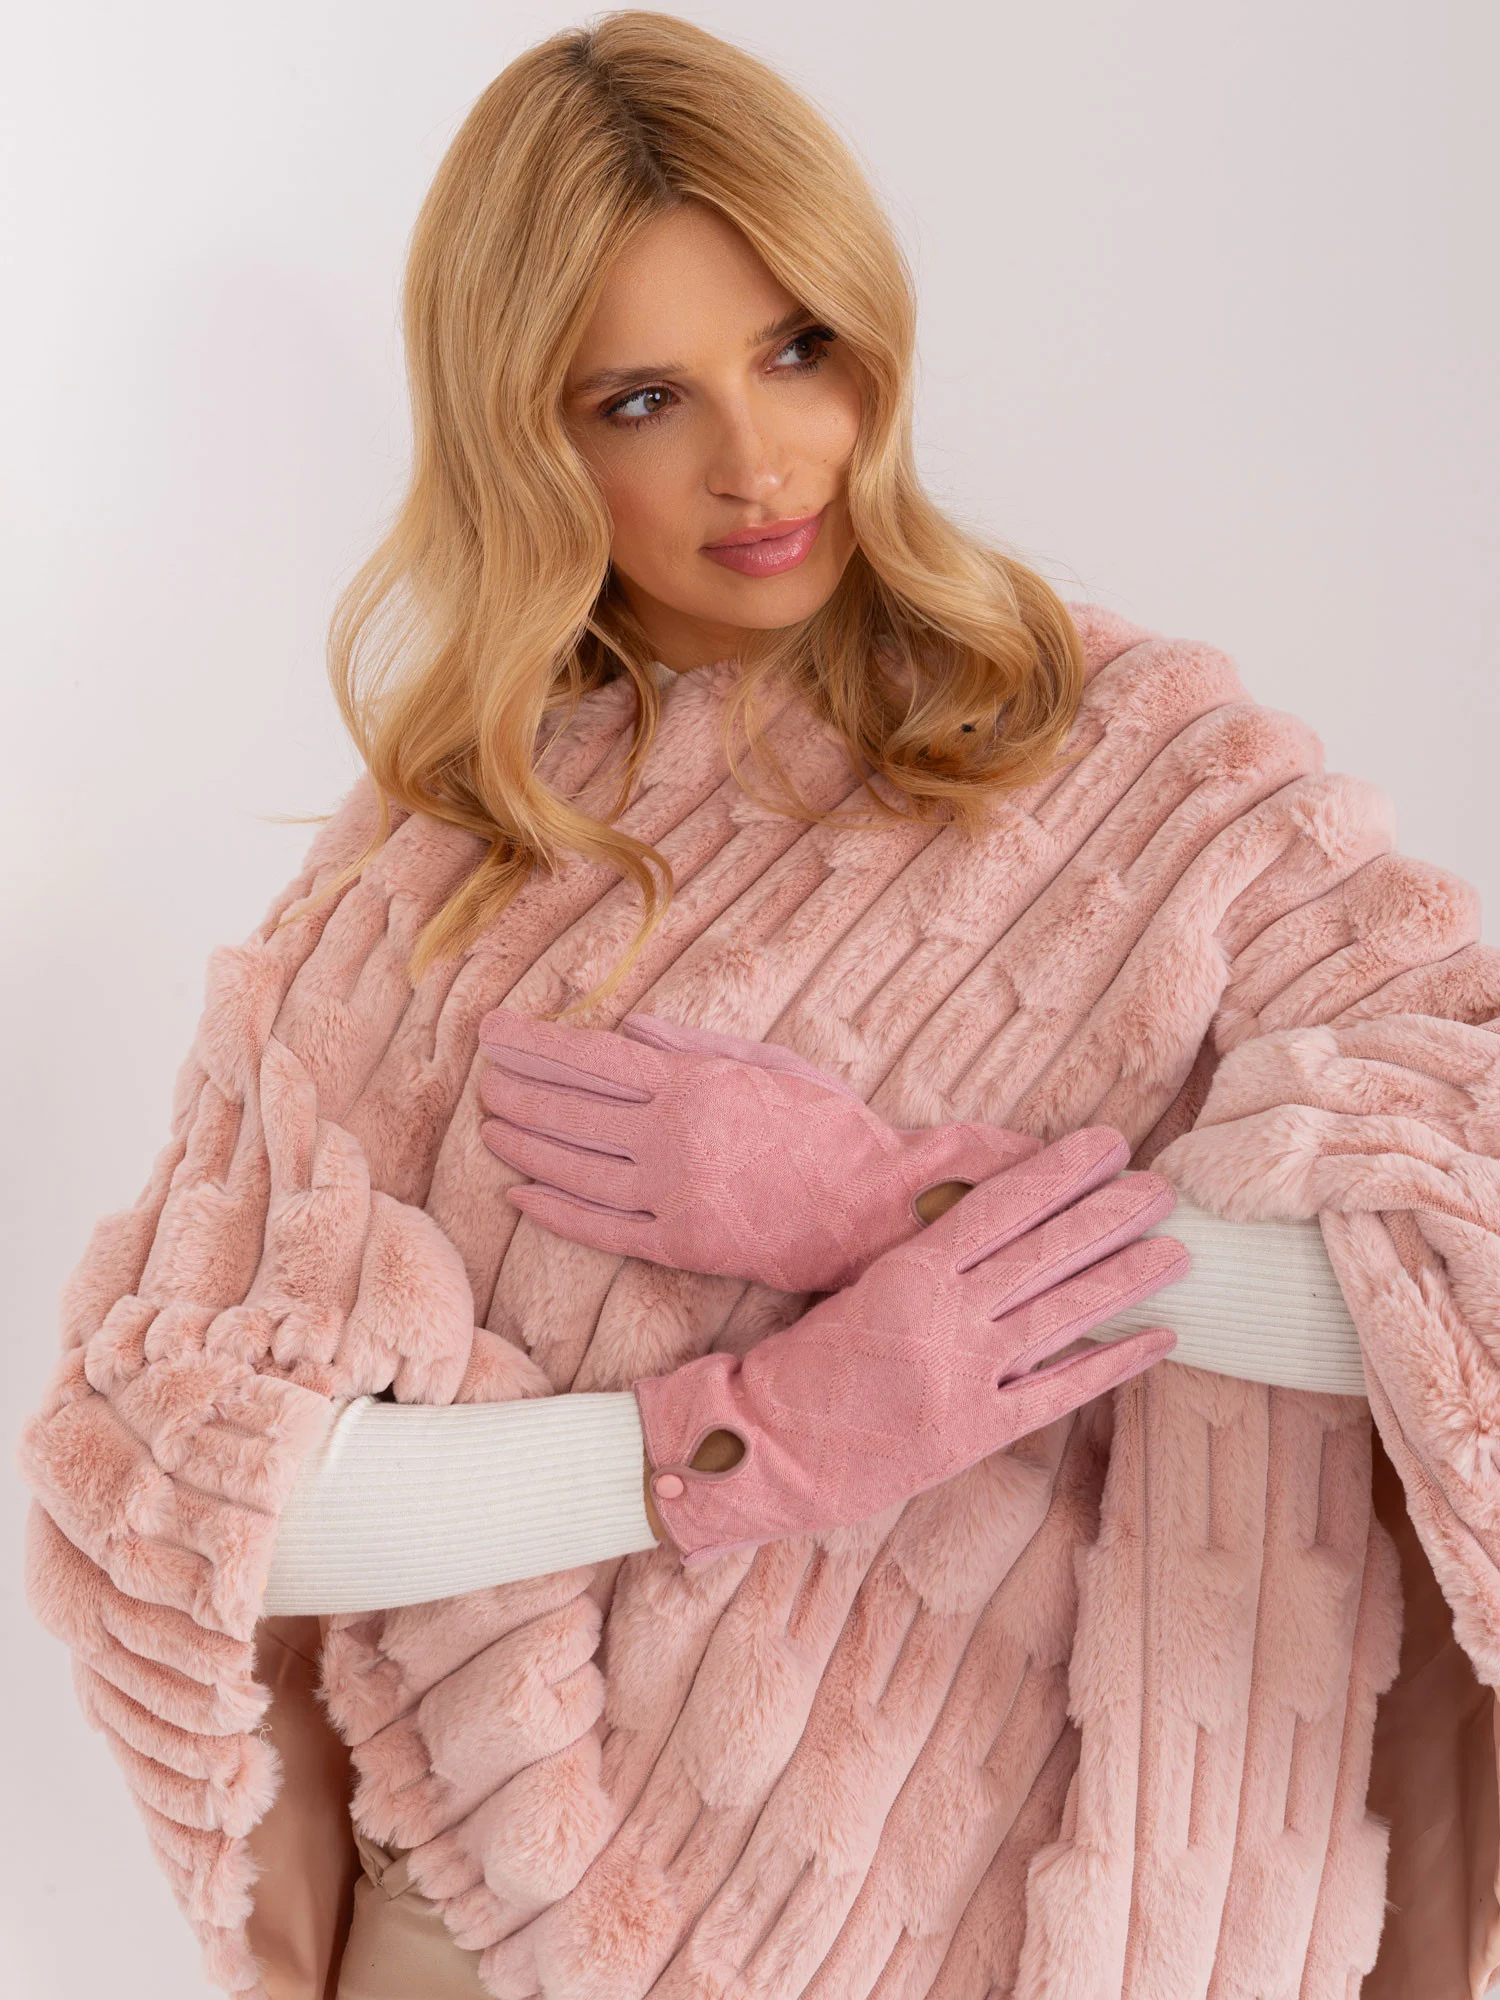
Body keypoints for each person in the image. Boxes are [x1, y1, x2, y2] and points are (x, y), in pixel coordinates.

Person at [18, 13, 1499, 2000]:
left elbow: (1452, 1297)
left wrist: (896, 1209)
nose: (758, 459)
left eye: (798, 347)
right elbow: (175, 1490)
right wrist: (740, 1439)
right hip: (495, 1929)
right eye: (643, 398)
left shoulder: (1162, 781)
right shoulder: (434, 880)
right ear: (527, 437)